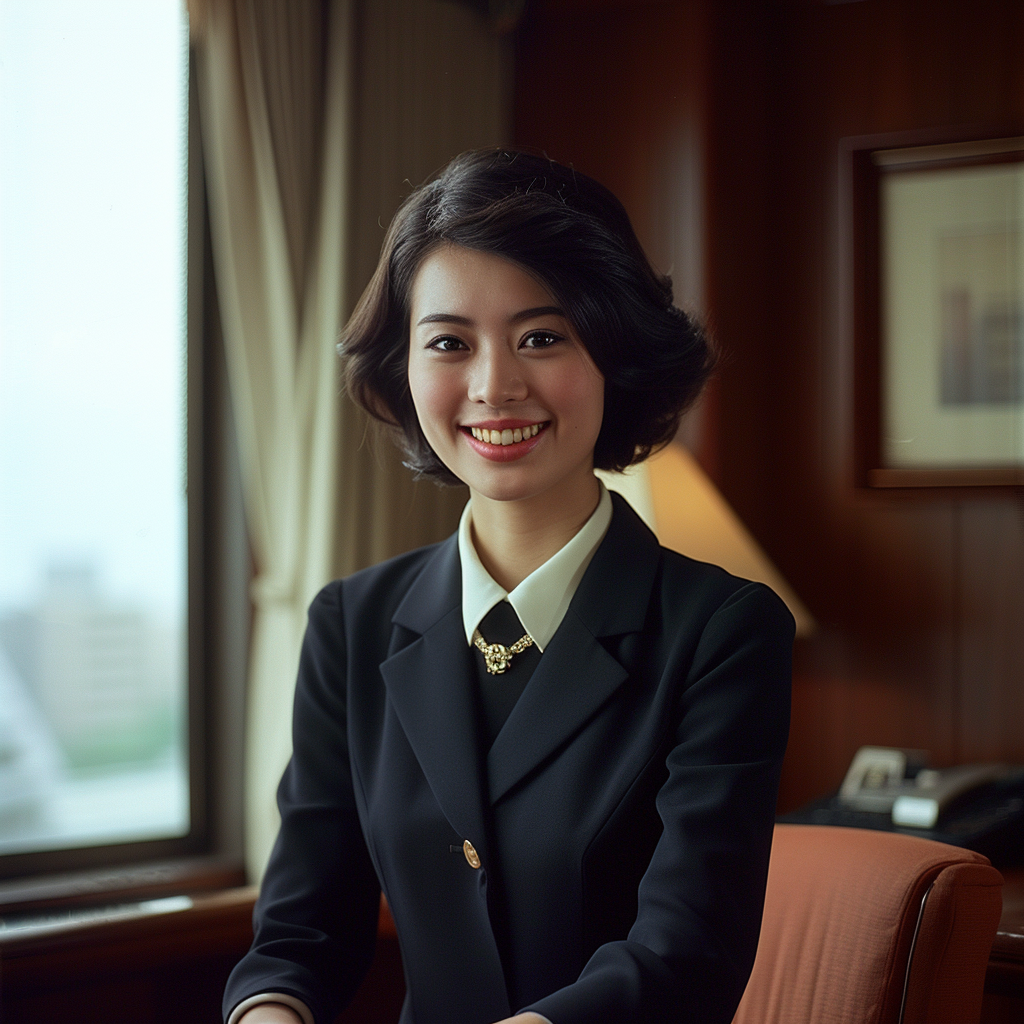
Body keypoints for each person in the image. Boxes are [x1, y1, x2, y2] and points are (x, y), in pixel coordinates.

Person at [223, 149, 793, 1024]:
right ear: (405, 372)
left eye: (542, 336)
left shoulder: (722, 630)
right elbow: (301, 935)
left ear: (615, 355)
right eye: (449, 342)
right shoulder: (352, 623)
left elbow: (685, 955)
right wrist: (270, 1012)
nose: (495, 386)